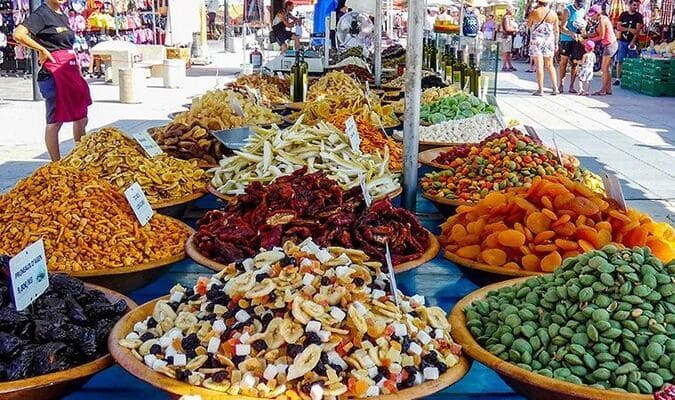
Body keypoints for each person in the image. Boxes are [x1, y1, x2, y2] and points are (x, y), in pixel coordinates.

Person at [13, 0, 91, 161]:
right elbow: (18, 34)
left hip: (70, 71)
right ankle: (56, 163)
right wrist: (41, 49)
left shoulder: (63, 15)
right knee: (55, 120)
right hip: (53, 73)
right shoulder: (41, 14)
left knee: (81, 117)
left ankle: (81, 156)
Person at [527, 0, 559, 95]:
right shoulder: (553, 14)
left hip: (537, 39)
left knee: (539, 65)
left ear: (538, 2)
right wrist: (556, 43)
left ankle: (540, 89)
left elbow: (529, 25)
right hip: (549, 40)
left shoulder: (535, 12)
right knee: (550, 65)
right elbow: (556, 30)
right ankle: (555, 88)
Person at [584, 4, 617, 95]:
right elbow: (597, 33)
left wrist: (589, 40)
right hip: (610, 45)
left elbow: (601, 36)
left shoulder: (602, 20)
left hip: (610, 45)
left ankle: (603, 90)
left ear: (597, 13)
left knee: (604, 68)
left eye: (593, 15)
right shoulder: (601, 20)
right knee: (607, 68)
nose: (592, 17)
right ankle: (608, 89)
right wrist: (586, 35)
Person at [558, 0, 586, 93]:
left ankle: (571, 86)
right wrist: (571, 33)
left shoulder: (583, 9)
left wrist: (582, 29)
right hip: (566, 39)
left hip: (577, 40)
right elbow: (562, 27)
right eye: (579, 5)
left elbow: (583, 25)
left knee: (575, 63)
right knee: (563, 62)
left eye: (581, 5)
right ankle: (561, 84)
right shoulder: (568, 10)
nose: (580, 7)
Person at [614, 0, 643, 85]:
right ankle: (618, 78)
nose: (636, 7)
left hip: (632, 42)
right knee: (620, 60)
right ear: (629, 5)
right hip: (623, 41)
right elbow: (618, 27)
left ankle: (634, 79)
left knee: (634, 61)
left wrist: (633, 42)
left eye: (637, 5)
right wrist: (629, 29)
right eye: (634, 5)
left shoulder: (639, 16)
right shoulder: (623, 15)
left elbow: (637, 31)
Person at [500, 5, 518, 71]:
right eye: (513, 10)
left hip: (508, 36)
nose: (514, 12)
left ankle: (509, 65)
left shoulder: (508, 17)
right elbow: (507, 28)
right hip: (506, 37)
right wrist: (515, 30)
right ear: (510, 10)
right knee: (506, 52)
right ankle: (504, 66)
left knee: (508, 52)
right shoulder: (507, 17)